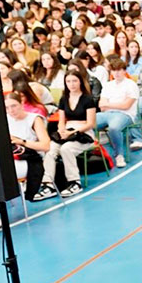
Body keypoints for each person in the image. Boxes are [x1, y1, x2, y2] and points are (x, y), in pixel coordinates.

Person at [43, 68, 97, 198]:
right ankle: (48, 184)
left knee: (66, 149)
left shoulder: (88, 99)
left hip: (84, 133)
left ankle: (74, 182)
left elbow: (90, 123)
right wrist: (62, 130)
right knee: (50, 150)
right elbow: (61, 120)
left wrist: (72, 132)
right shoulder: (64, 99)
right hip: (67, 130)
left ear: (80, 82)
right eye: (68, 81)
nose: (71, 84)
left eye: (74, 81)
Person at [6, 91, 53, 202]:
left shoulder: (35, 119)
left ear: (21, 104)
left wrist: (21, 141)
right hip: (12, 158)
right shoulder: (6, 119)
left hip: (32, 161)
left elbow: (46, 146)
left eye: (14, 106)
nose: (11, 110)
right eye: (7, 107)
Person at [95, 58, 139, 168]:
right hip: (107, 114)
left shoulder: (131, 85)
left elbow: (126, 106)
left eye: (119, 70)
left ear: (124, 71)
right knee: (89, 122)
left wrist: (109, 105)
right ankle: (94, 153)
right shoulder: (107, 85)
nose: (116, 73)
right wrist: (114, 105)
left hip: (125, 114)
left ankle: (119, 155)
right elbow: (101, 105)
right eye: (114, 70)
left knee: (114, 127)